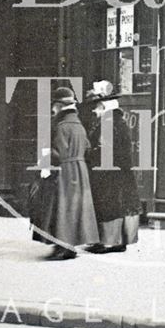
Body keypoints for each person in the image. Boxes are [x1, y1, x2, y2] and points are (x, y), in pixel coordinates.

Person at [30, 87, 99, 260]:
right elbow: (88, 149)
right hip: (79, 170)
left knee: (61, 208)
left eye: (54, 104)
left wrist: (44, 157)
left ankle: (64, 247)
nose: (52, 108)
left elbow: (58, 153)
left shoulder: (60, 126)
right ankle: (67, 245)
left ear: (60, 106)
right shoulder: (79, 125)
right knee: (74, 209)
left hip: (64, 171)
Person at [85, 81, 140, 253]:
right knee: (121, 204)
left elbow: (104, 150)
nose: (94, 110)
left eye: (97, 106)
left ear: (104, 106)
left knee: (109, 204)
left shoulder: (108, 123)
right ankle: (118, 241)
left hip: (109, 173)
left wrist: (89, 154)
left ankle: (110, 242)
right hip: (120, 172)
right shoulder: (117, 120)